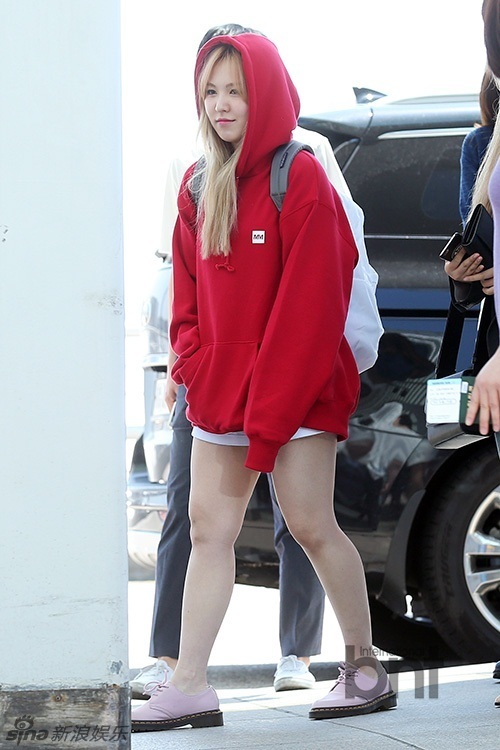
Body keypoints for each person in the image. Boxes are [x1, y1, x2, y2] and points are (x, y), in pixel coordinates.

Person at [131, 32, 396, 733]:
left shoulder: (301, 175)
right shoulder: (198, 184)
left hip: (298, 386)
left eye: (236, 91)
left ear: (266, 94)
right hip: (223, 390)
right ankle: (190, 684)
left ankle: (364, 668)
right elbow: (187, 302)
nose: (222, 105)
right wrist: (193, 367)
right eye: (211, 91)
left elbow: (312, 308)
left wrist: (269, 413)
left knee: (310, 524)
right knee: (207, 529)